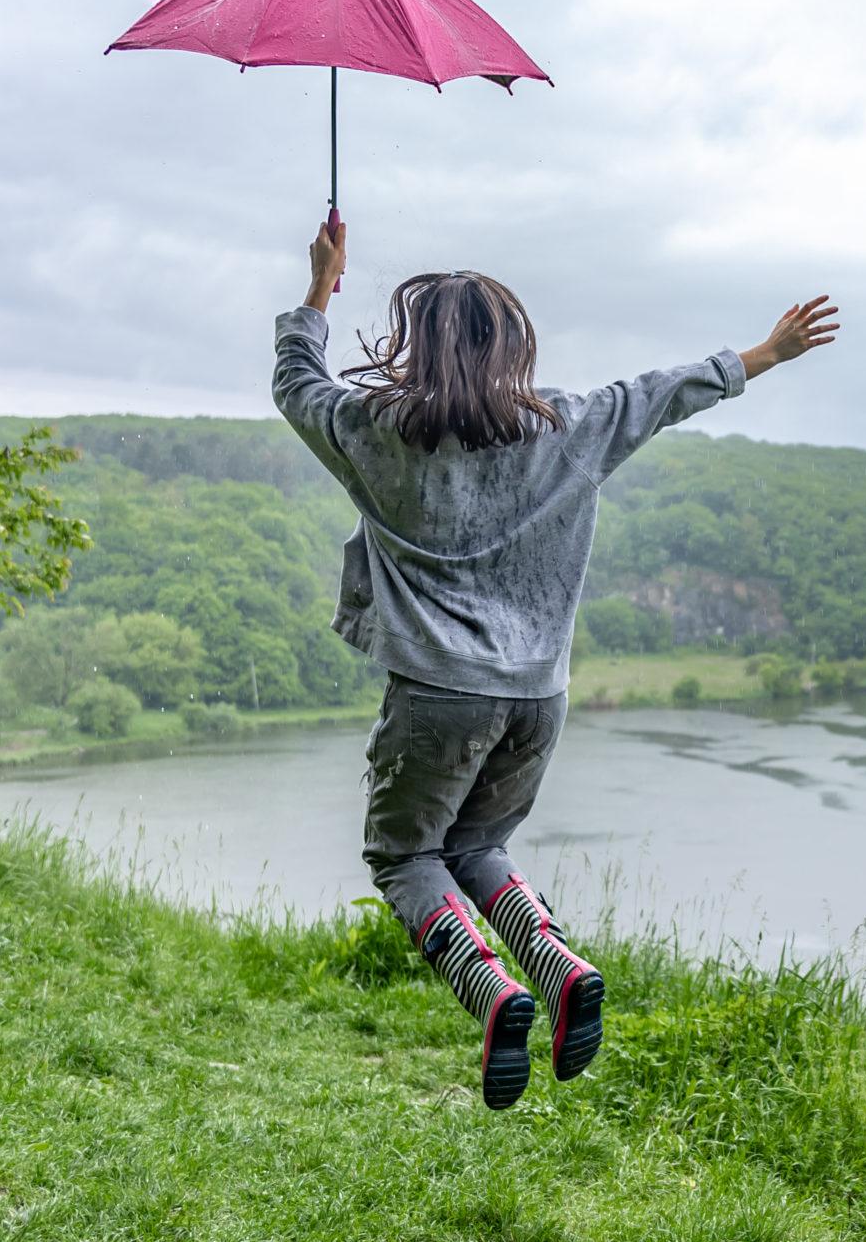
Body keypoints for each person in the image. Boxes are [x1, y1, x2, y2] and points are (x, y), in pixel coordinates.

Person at [272, 218, 837, 1108]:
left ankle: (494, 993)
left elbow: (296, 382)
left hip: (437, 696)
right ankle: (560, 968)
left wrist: (320, 284)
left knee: (405, 854)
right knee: (479, 844)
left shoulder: (371, 430)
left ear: (417, 346)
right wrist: (767, 353)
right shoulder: (571, 426)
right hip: (540, 699)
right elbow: (663, 392)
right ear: (512, 346)